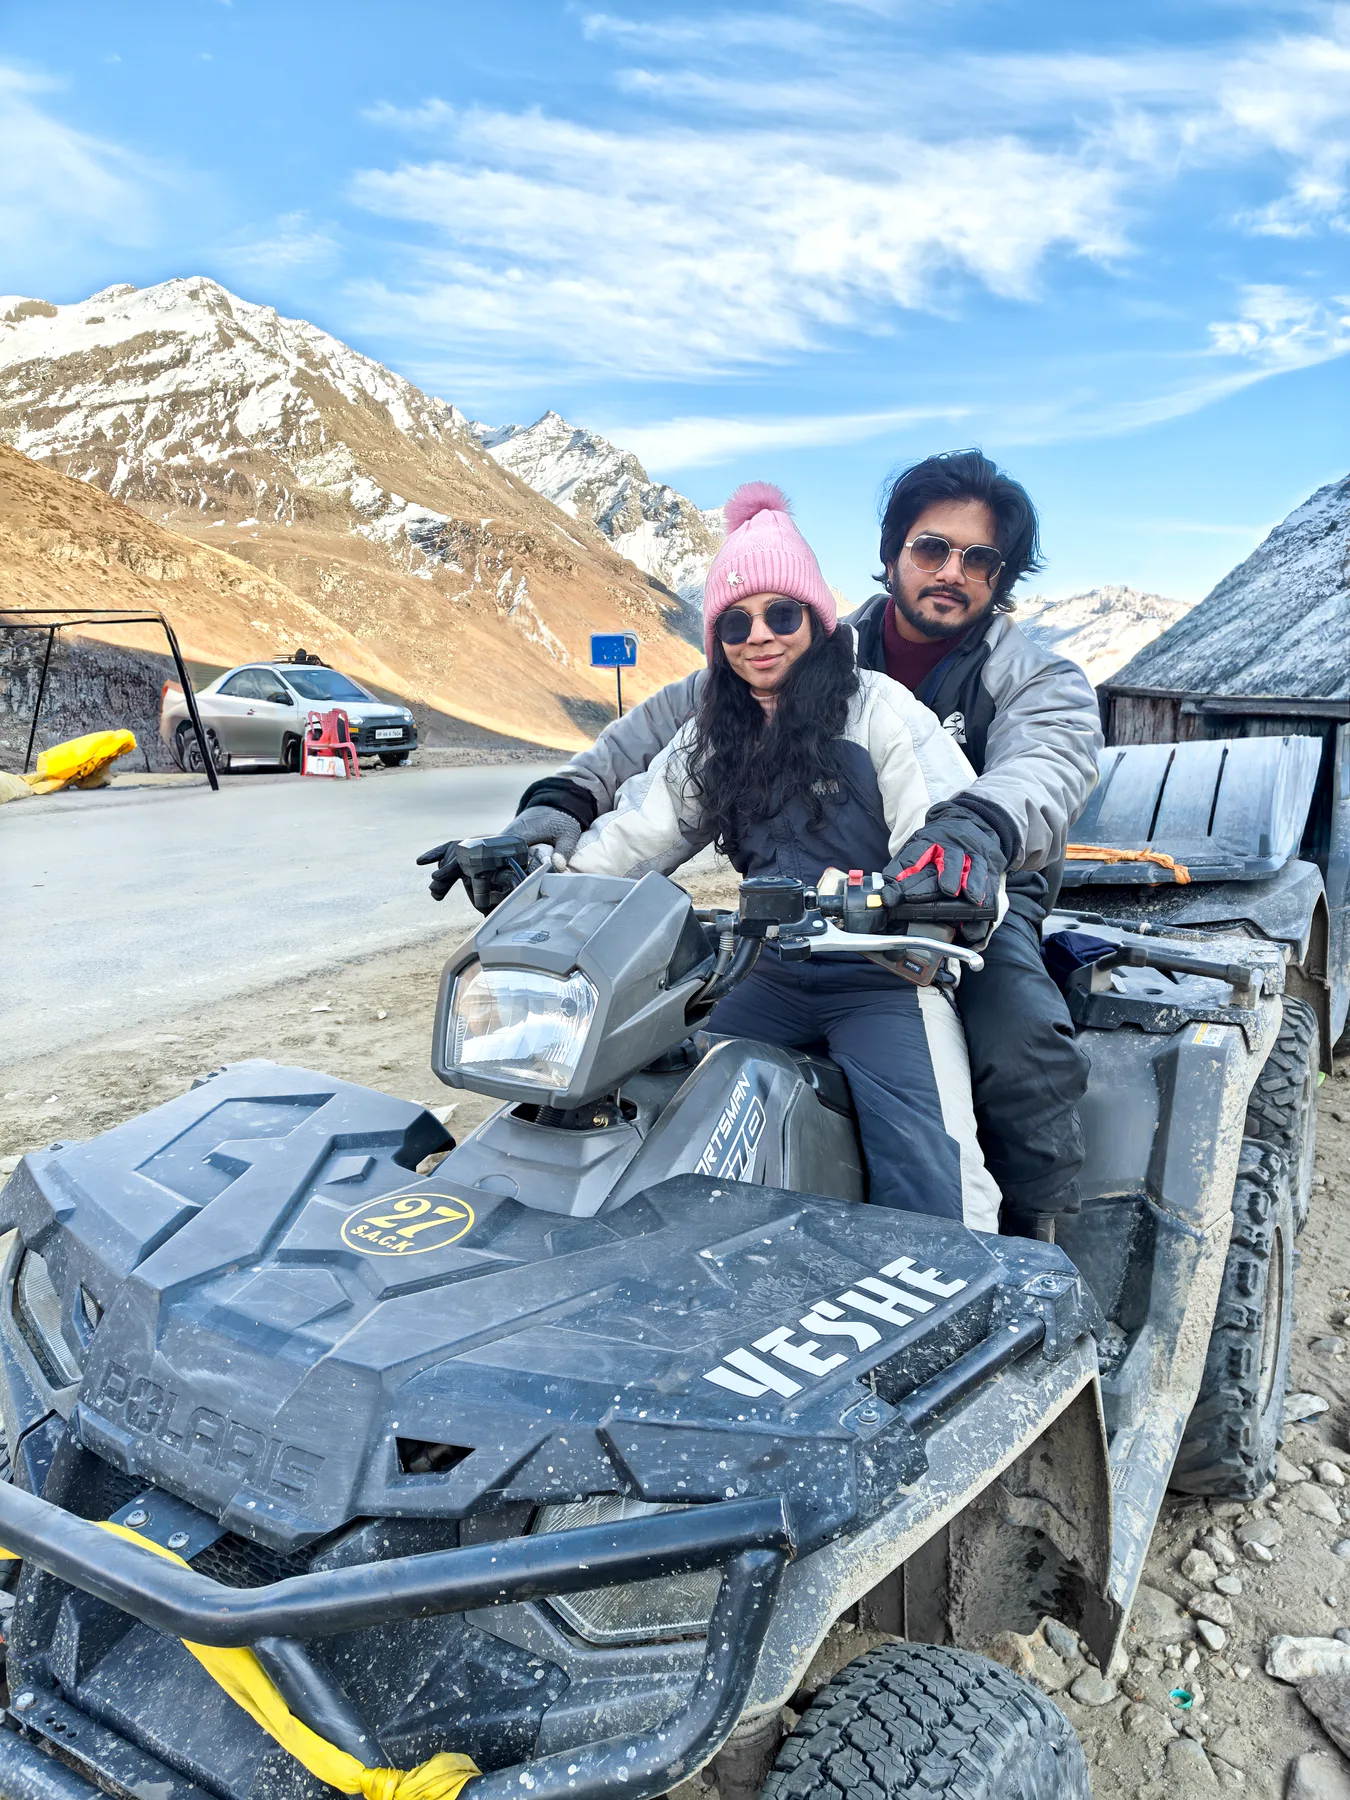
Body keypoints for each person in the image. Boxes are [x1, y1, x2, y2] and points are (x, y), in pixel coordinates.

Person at [464, 450, 1102, 1231]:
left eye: (979, 558)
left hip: (965, 890)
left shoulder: (1026, 676)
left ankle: (1038, 1246)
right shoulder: (792, 646)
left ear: (1001, 576)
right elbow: (648, 759)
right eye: (932, 547)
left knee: (1019, 1046)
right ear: (893, 552)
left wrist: (972, 831)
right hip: (790, 928)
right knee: (667, 1071)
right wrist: (545, 842)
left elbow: (1050, 761)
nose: (951, 571)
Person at [567, 481, 1004, 1232]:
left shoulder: (879, 710)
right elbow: (638, 835)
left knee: (933, 1168)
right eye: (734, 623)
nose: (758, 635)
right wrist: (545, 887)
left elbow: (946, 823)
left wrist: (944, 881)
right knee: (666, 1117)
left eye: (781, 613)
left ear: (817, 618)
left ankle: (972, 1303)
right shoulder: (714, 735)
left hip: (882, 971)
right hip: (766, 969)